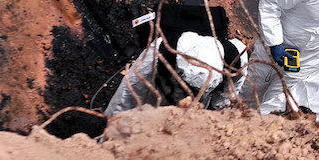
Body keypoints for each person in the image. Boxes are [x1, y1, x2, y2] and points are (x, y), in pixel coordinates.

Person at [105, 31, 248, 117]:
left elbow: (230, 93)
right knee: (136, 97)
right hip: (164, 64)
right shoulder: (163, 51)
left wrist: (219, 110)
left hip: (201, 95)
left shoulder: (235, 58)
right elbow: (130, 90)